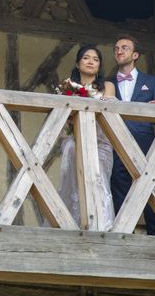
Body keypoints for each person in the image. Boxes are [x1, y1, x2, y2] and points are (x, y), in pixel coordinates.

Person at [110, 35, 155, 235]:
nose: (119, 51)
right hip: (115, 140)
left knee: (149, 186)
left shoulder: (152, 82)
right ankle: (125, 232)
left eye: (124, 47)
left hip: (144, 141)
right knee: (118, 183)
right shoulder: (107, 83)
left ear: (135, 55)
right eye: (116, 48)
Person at [57, 45, 116, 229]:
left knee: (98, 179)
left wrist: (85, 95)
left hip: (100, 142)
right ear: (77, 62)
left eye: (95, 59)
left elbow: (108, 111)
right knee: (73, 180)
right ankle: (72, 223)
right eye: (86, 58)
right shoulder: (66, 87)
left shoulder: (107, 86)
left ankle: (101, 224)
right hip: (75, 140)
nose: (91, 62)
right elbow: (62, 119)